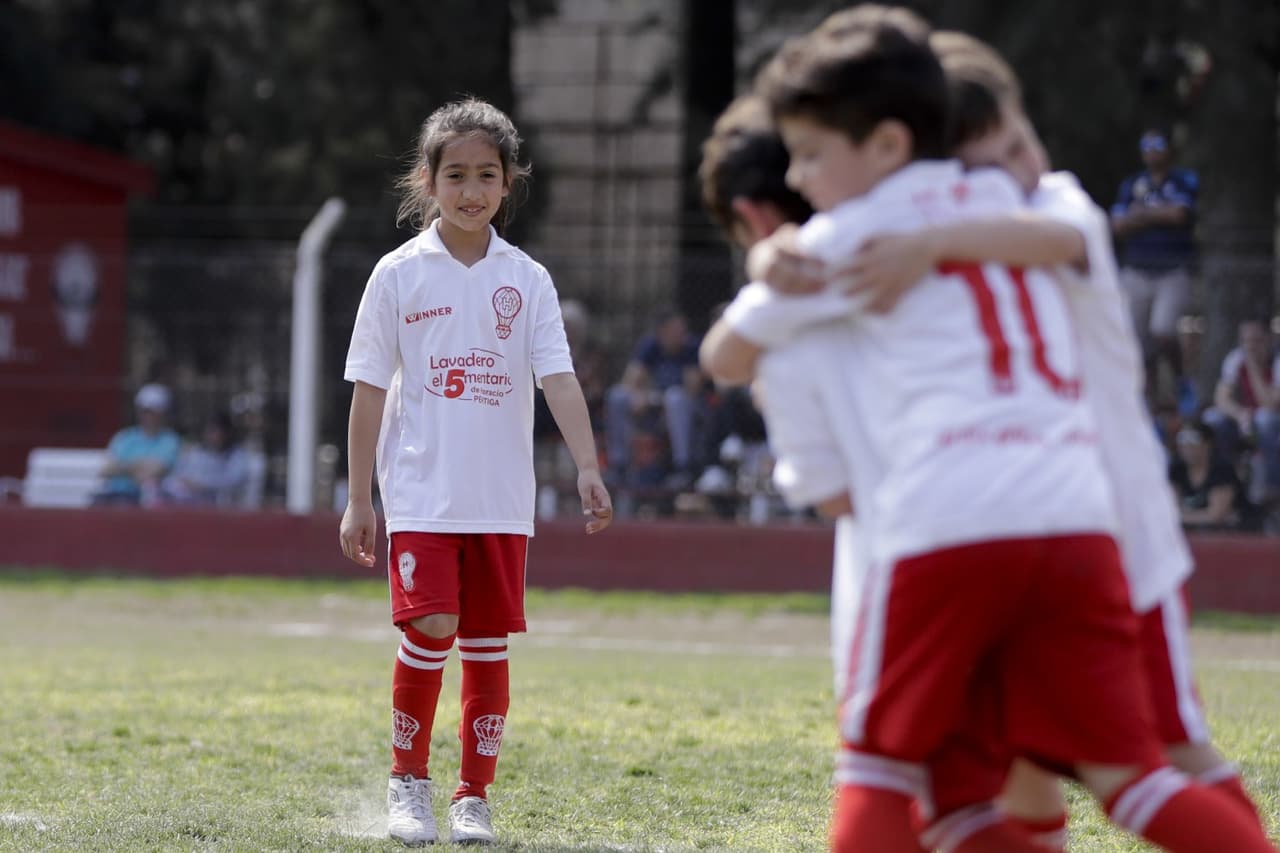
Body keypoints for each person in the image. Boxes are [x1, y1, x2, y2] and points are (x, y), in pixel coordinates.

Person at [704, 7, 1275, 851]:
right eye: (1003, 148)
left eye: (817, 151)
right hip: (1077, 522)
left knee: (888, 767)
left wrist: (778, 262)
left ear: (893, 144)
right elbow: (1044, 231)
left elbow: (730, 356)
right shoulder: (1025, 209)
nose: (1025, 166)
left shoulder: (870, 231)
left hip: (961, 520)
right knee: (1108, 776)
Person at [338, 97, 612, 848]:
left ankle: (473, 797)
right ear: (428, 181)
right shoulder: (397, 275)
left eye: (485, 174)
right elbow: (367, 388)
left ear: (507, 182)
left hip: (500, 499)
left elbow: (558, 378)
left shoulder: (526, 279)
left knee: (486, 642)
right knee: (432, 625)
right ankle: (409, 782)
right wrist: (359, 497)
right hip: (423, 492)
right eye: (454, 174)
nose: (470, 189)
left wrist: (588, 464)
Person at [1110, 129, 1200, 409]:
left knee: (1163, 329)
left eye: (1157, 145)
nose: (1151, 151)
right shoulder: (1133, 183)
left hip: (1172, 270)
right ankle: (1146, 398)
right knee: (1137, 339)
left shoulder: (1183, 179)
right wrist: (1158, 215)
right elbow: (1118, 225)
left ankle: (1181, 379)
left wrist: (1141, 215)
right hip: (1136, 270)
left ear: (1169, 149)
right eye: (1145, 145)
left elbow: (1180, 215)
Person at [604, 309, 704, 491]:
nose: (682, 333)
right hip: (653, 407)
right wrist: (639, 396)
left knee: (676, 398)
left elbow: (693, 389)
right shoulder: (650, 345)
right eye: (677, 329)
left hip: (683, 410)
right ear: (662, 331)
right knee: (617, 397)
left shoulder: (691, 347)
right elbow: (630, 381)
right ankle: (619, 465)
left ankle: (683, 467)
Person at [1204, 319, 1280, 499]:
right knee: (1213, 419)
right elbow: (1221, 398)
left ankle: (1273, 488)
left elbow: (1270, 403)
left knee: (1265, 419)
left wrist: (1253, 367)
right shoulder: (1236, 358)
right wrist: (1240, 414)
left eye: (1256, 340)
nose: (1251, 347)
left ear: (1269, 339)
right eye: (1246, 341)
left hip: (1272, 423)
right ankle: (1226, 485)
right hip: (1246, 420)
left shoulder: (1277, 360)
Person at [93, 383, 182, 507]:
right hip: (112, 496)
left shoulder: (170, 440)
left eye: (152, 411)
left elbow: (154, 472)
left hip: (142, 501)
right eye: (144, 410)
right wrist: (139, 467)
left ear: (163, 412)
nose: (147, 415)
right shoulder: (124, 437)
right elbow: (106, 470)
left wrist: (122, 467)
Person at [1169, 419, 1250, 530]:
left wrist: (1178, 516)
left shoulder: (1222, 470)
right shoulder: (1176, 470)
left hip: (1233, 534)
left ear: (1208, 444)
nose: (1187, 447)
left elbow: (1215, 516)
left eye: (1193, 441)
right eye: (1182, 441)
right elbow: (1170, 508)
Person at [160, 413, 250, 506]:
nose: (214, 435)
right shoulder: (195, 452)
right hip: (190, 504)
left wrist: (203, 485)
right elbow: (177, 476)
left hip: (222, 506)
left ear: (227, 432)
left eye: (218, 431)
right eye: (211, 431)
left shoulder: (237, 454)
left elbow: (234, 481)